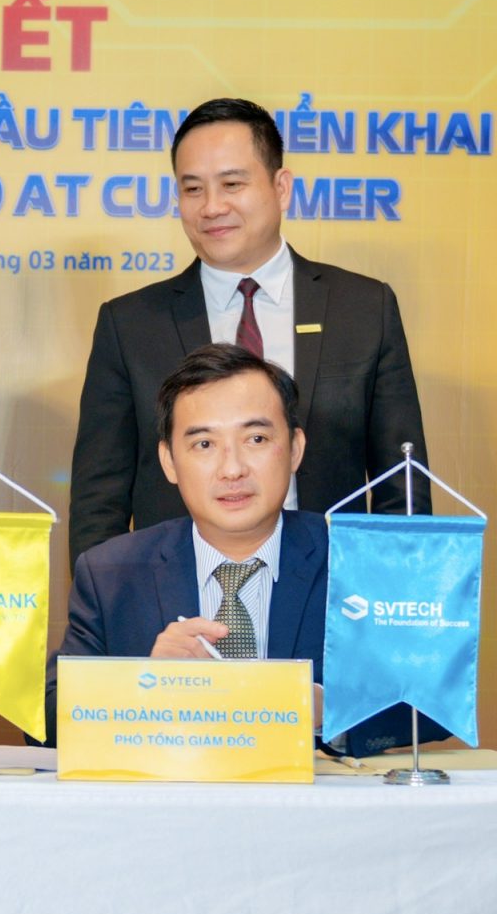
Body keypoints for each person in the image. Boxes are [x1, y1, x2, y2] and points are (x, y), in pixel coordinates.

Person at [66, 97, 429, 565]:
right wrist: (106, 601)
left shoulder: (362, 309)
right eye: (192, 189)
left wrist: (393, 596)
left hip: (328, 589)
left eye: (232, 184)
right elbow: (99, 500)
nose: (212, 207)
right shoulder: (131, 324)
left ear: (281, 188)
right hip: (175, 596)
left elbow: (402, 486)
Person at [47, 344, 435, 757]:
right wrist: (145, 687)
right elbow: (48, 721)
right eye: (204, 444)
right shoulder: (111, 574)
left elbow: (431, 702)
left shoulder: (362, 562)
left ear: (295, 449)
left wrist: (327, 708)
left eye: (256, 438)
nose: (232, 469)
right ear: (169, 461)